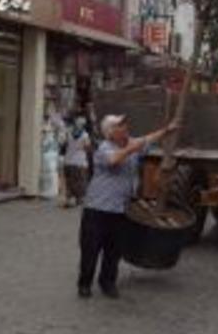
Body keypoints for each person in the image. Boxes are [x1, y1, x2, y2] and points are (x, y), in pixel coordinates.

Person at [77, 114, 178, 299]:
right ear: (110, 133)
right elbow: (114, 160)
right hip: (97, 208)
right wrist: (132, 148)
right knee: (90, 249)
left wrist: (166, 130)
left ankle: (107, 283)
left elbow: (148, 138)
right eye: (119, 125)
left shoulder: (131, 143)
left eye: (124, 124)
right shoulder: (104, 148)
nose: (125, 127)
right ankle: (84, 284)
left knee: (114, 250)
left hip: (120, 209)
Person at [63, 116, 92, 208]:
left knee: (69, 181)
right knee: (80, 181)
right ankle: (79, 199)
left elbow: (64, 144)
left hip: (68, 161)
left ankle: (69, 198)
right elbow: (88, 147)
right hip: (80, 162)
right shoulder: (84, 135)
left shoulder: (68, 132)